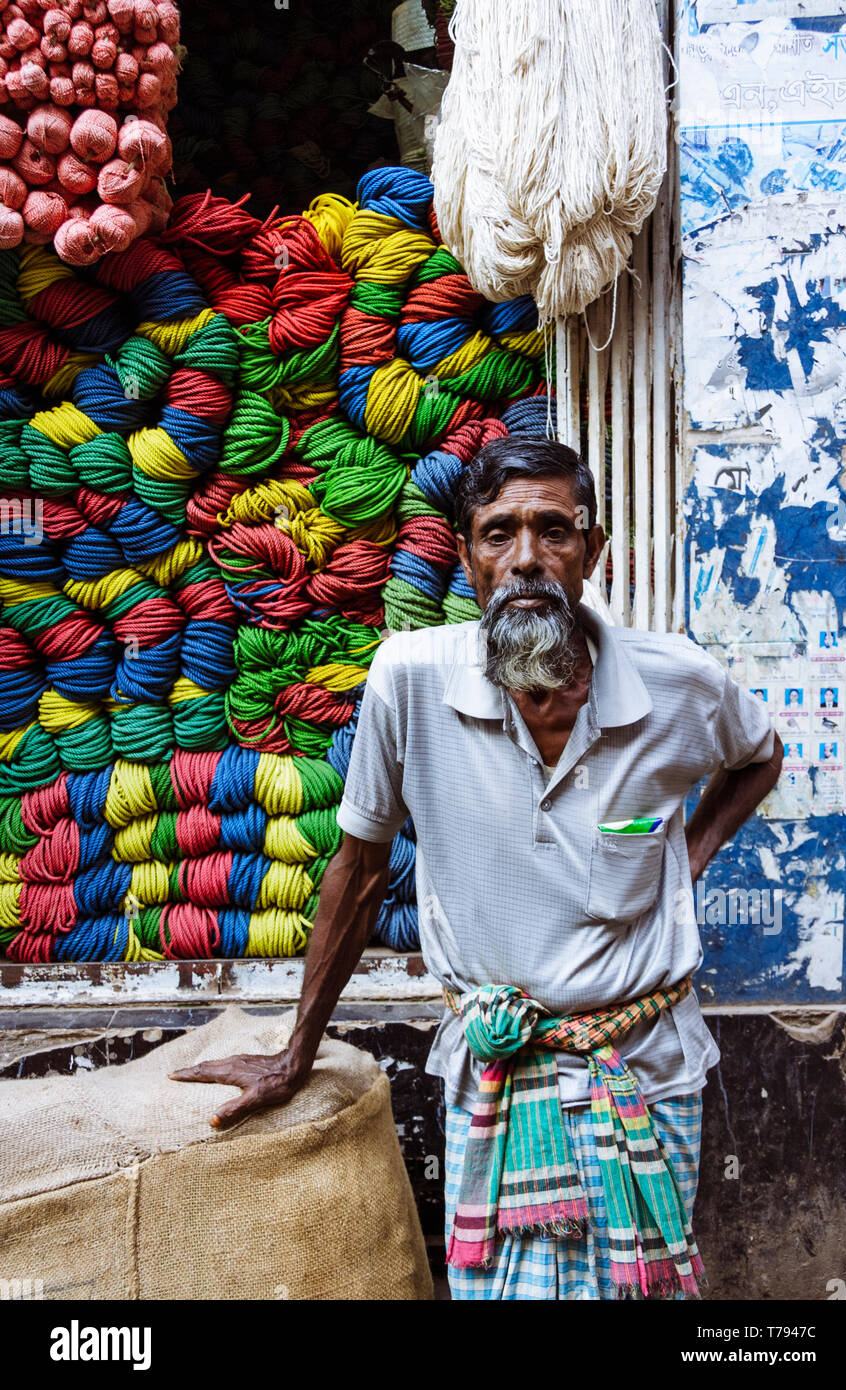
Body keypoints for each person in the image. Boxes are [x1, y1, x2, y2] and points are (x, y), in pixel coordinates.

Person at [171, 438, 783, 1300]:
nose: (526, 558)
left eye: (553, 531)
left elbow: (760, 756)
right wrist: (295, 1050)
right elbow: (360, 862)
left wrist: (689, 851)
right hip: (495, 1074)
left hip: (642, 1068)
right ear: (465, 555)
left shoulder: (679, 682)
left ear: (593, 551)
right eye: (499, 533)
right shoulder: (411, 680)